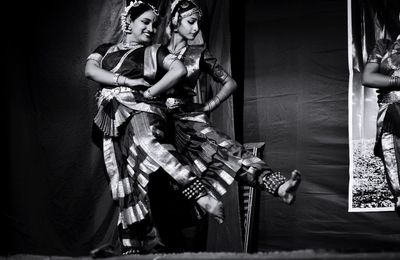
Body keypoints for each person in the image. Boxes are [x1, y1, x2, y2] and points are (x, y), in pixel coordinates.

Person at [142, 0, 302, 238]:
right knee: (161, 184)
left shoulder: (198, 54)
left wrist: (210, 105)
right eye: (190, 21)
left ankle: (277, 185)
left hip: (188, 121)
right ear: (175, 20)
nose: (196, 28)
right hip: (159, 124)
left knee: (225, 150)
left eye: (198, 23)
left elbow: (230, 83)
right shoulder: (156, 52)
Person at [85, 0, 224, 254]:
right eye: (145, 22)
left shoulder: (155, 51)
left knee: (149, 143)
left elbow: (179, 69)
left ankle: (200, 195)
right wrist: (125, 79)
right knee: (124, 180)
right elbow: (90, 70)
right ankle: (133, 247)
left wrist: (149, 90)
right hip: (110, 119)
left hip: (141, 109)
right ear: (128, 22)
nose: (150, 29)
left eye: (154, 24)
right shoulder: (104, 49)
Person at [361, 28, 400, 214]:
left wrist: (389, 79)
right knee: (398, 186)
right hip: (391, 119)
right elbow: (368, 77)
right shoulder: (384, 45)